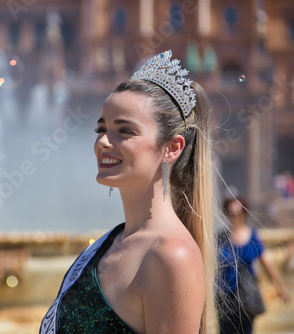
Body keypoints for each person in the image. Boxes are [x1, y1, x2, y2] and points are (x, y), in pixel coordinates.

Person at [40, 50, 218, 334]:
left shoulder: (172, 256)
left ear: (171, 148)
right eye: (101, 129)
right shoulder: (112, 240)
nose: (103, 142)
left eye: (124, 131)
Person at [218, 196, 291, 334]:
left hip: (247, 295)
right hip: (226, 297)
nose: (234, 218)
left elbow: (266, 263)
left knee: (246, 330)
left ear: (244, 214)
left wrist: (280, 287)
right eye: (230, 213)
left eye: (238, 214)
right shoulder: (221, 238)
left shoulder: (252, 235)